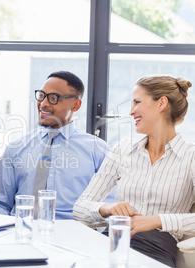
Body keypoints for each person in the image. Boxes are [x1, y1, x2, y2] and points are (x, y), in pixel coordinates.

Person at [73, 75, 195, 268]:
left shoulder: (191, 156)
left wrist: (157, 221)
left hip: (156, 250)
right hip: (108, 243)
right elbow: (79, 208)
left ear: (161, 103)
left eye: (137, 102)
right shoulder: (122, 149)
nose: (131, 111)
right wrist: (107, 209)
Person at [0, 70, 113, 220]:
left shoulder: (98, 150)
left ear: (76, 104)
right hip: (21, 233)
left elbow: (109, 205)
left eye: (54, 98)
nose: (43, 104)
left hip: (74, 236)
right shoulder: (16, 148)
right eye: (41, 95)